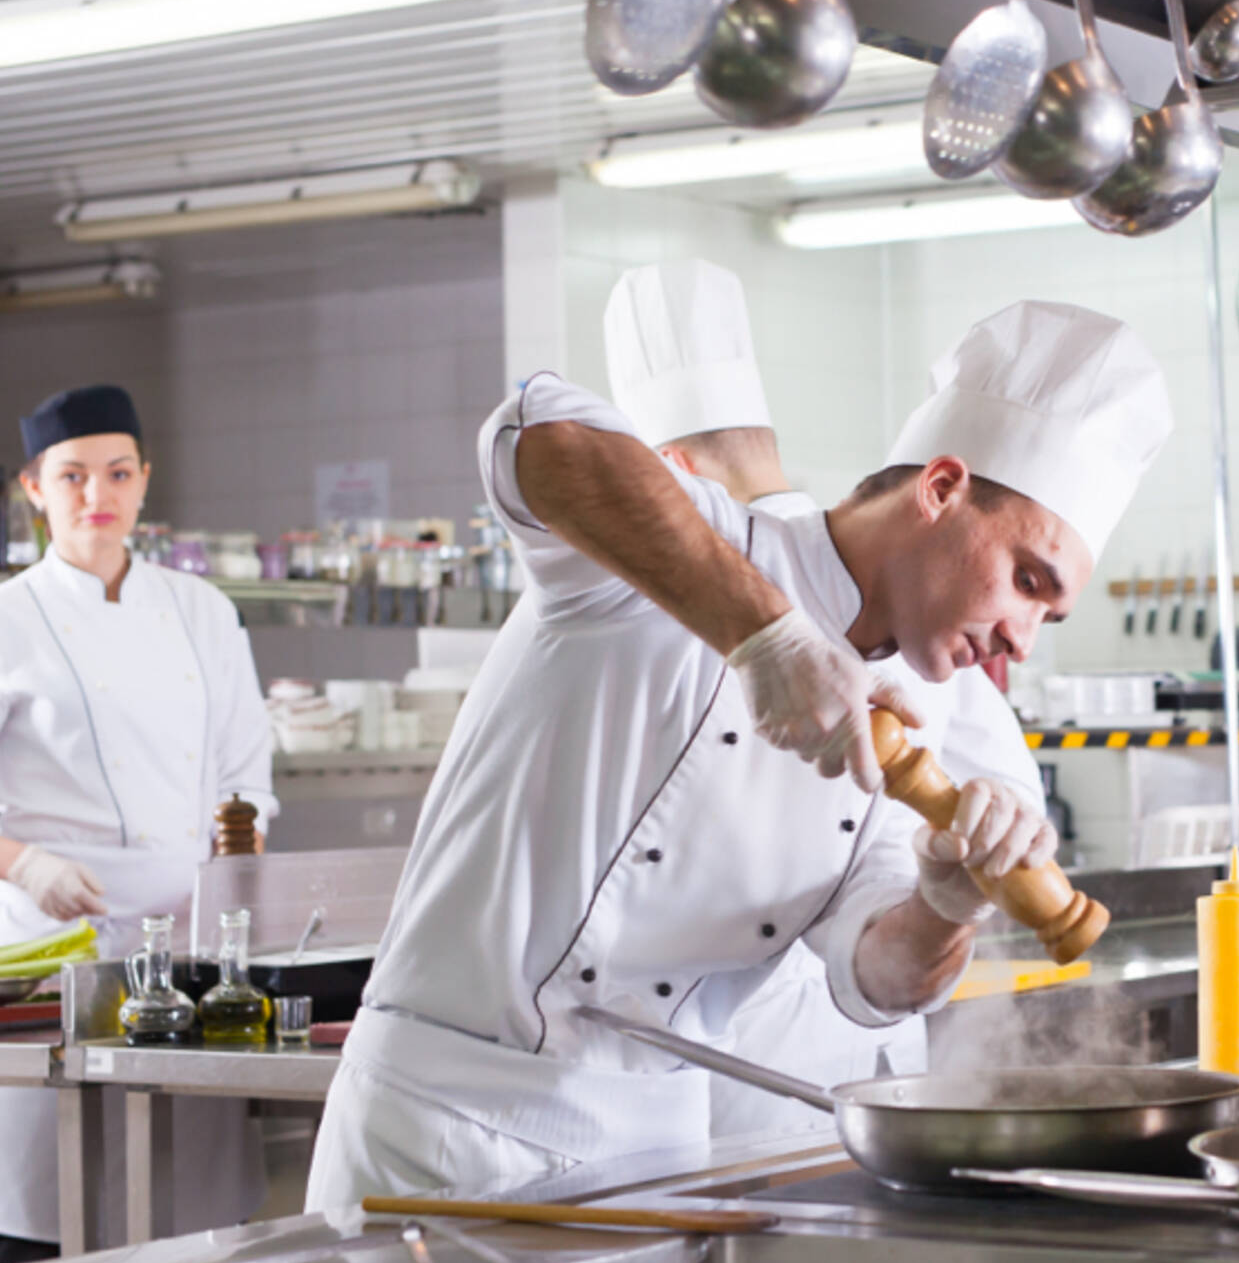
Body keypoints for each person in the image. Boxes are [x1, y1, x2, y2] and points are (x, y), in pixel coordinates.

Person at [305, 299, 1170, 1207]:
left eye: (1050, 612)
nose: (1023, 637)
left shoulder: (921, 721)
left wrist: (943, 903)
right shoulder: (692, 551)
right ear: (943, 488)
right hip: (441, 1133)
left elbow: (874, 976)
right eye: (1027, 581)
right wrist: (769, 638)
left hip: (656, 1156)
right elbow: (533, 433)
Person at [603, 260, 1044, 1134]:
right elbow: (1020, 815)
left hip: (763, 1067)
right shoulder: (873, 588)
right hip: (820, 1066)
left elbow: (1005, 833)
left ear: (669, 470)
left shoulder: (889, 602)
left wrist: (950, 889)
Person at [0, 384, 273, 1258]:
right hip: (51, 945)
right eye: (72, 476)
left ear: (145, 481)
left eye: (117, 473)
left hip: (189, 950)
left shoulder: (201, 611)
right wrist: (25, 866)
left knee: (191, 1231)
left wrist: (233, 882)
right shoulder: (9, 620)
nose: (97, 496)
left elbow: (244, 776)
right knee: (51, 1217)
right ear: (33, 489)